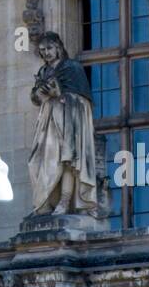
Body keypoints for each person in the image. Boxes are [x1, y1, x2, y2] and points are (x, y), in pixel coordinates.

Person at [28, 31, 98, 215]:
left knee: (68, 159)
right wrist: (40, 94)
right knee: (37, 161)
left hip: (68, 119)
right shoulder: (43, 71)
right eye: (42, 50)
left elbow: (83, 100)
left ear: (58, 48)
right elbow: (35, 97)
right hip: (47, 121)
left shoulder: (72, 67)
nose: (46, 53)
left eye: (49, 48)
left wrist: (60, 93)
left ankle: (65, 201)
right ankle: (44, 202)